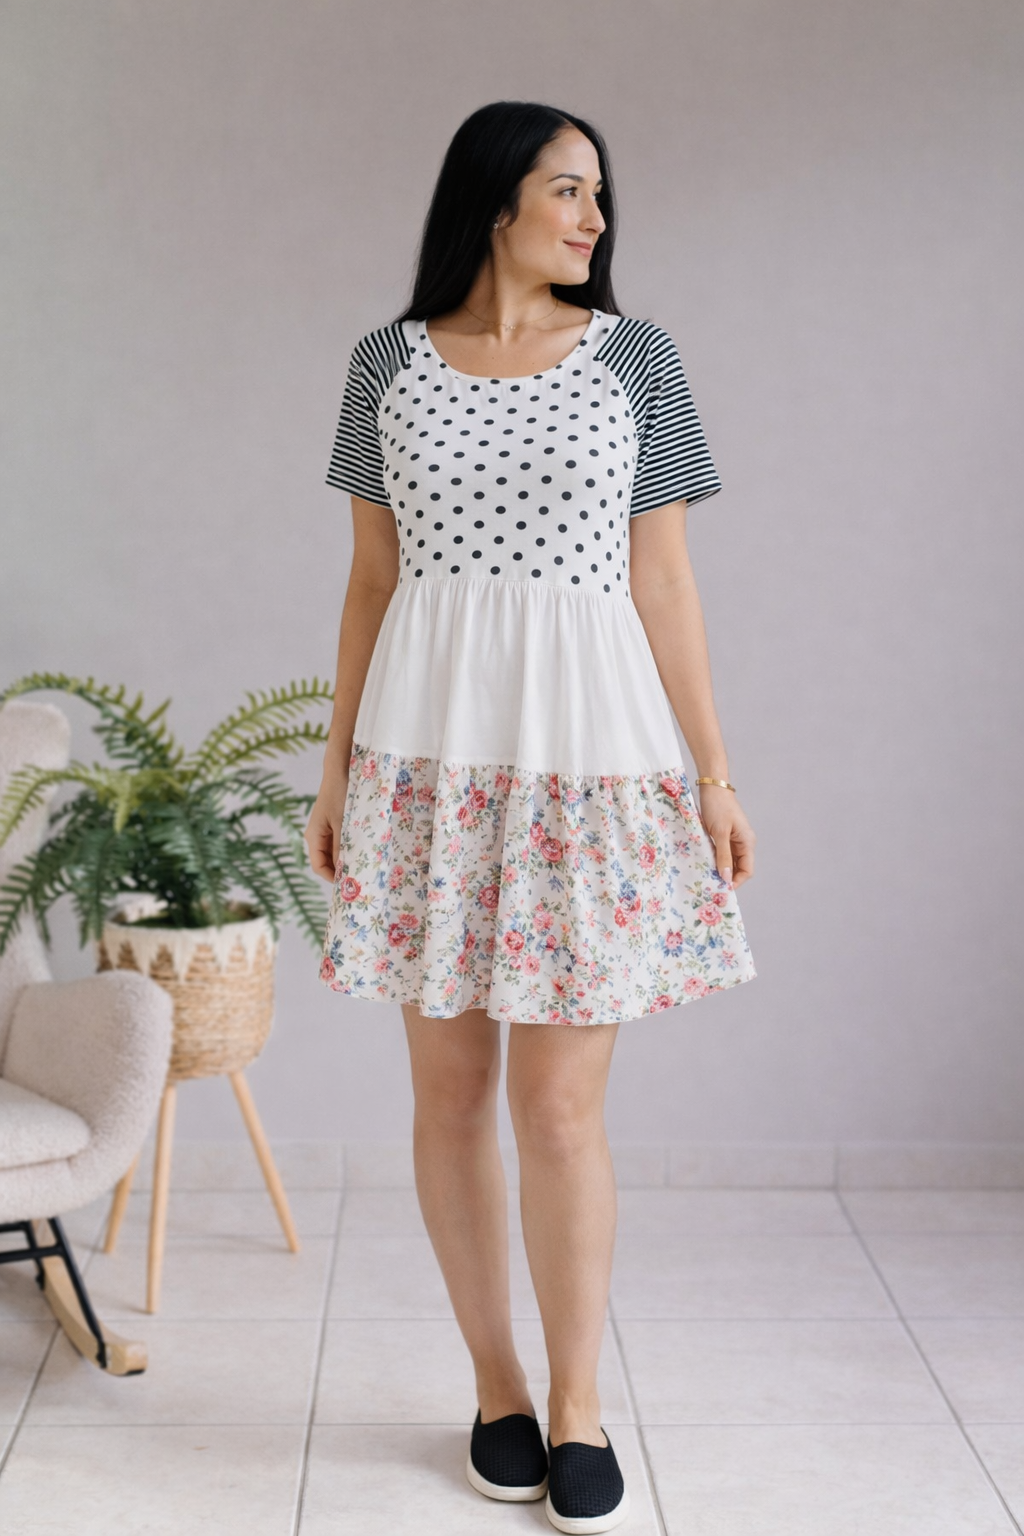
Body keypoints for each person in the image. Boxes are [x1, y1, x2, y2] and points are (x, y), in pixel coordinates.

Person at [305, 99, 757, 1535]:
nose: (595, 218)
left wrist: (713, 772)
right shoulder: (386, 363)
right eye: (569, 190)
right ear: (495, 198)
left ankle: (576, 1406)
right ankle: (496, 1388)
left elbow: (665, 580)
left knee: (559, 1109)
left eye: (599, 194)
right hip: (425, 767)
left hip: (589, 762)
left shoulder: (638, 361)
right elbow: (371, 580)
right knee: (447, 1099)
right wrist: (335, 771)